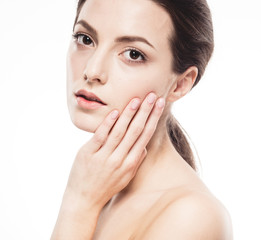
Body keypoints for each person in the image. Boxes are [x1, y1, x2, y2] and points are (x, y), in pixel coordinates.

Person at [51, 0, 233, 239]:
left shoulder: (192, 217)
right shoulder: (98, 183)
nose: (92, 70)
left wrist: (77, 205)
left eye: (133, 54)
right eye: (85, 39)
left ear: (180, 83)